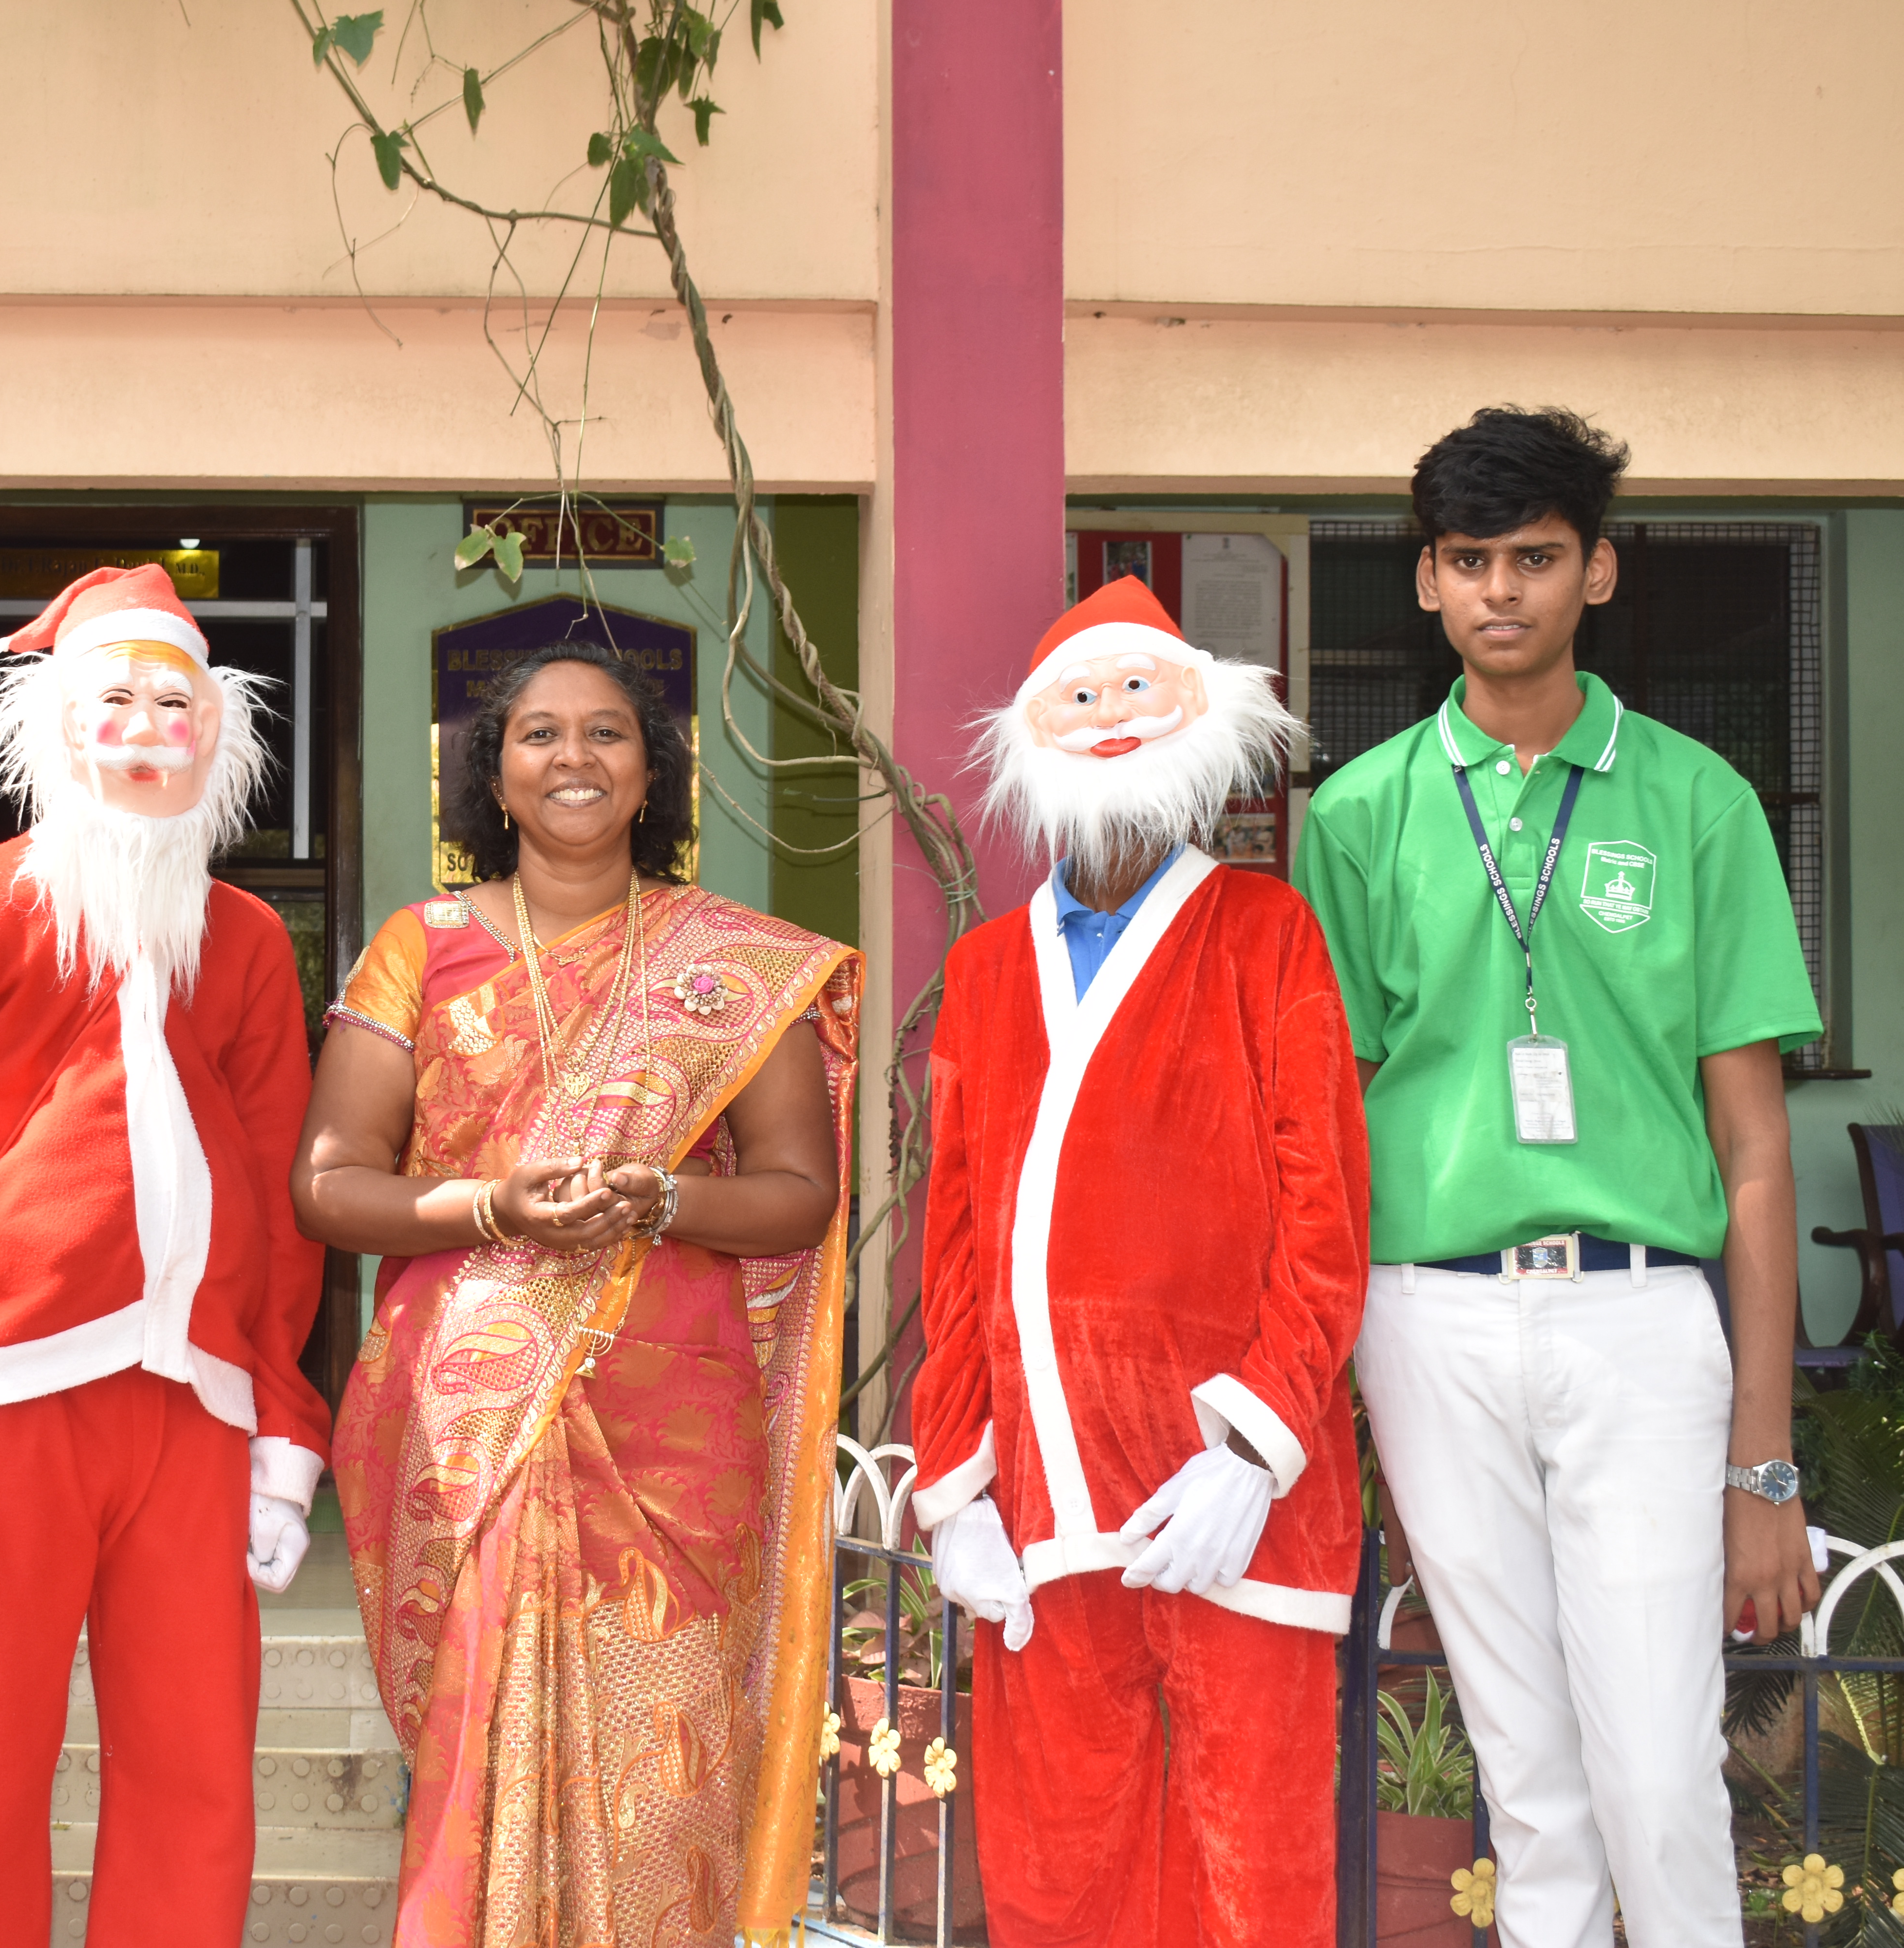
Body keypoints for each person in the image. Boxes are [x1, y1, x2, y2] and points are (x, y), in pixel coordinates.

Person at [1290, 407, 1821, 1948]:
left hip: (1640, 1315)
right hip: (1426, 1317)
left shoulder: (1699, 802)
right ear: (1427, 583)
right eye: (1469, 561)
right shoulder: (1361, 813)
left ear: (1597, 572)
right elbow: (1333, 1121)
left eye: (1534, 557)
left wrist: (1766, 1464)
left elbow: (1756, 1149)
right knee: (1529, 1784)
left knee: (1657, 1772)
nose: (1500, 589)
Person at [297, 641, 859, 1948]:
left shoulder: (733, 967)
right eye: (539, 733)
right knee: (476, 1755)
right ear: (492, 775)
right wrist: (495, 1206)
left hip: (675, 1421)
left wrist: (664, 1201)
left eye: (607, 732)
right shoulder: (420, 948)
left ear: (654, 773)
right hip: (472, 1417)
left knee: (668, 1762)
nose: (574, 758)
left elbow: (798, 1192)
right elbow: (328, 1184)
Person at [0, 563, 330, 1945]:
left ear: (219, 735)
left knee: (196, 1772)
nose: (150, 731)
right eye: (117, 701)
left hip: (198, 1410)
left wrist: (285, 1427)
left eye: (177, 705)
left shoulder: (247, 941)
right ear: (56, 725)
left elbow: (280, 1212)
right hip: (3, 1401)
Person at [905, 573, 1367, 1946]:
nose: (1111, 720)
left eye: (1134, 693)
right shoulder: (989, 969)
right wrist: (954, 1481)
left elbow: (1328, 1217)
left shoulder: (1267, 933)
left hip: (1229, 1487)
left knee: (1254, 1872)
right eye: (1084, 697)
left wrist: (1260, 1446)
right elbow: (956, 1244)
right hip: (1040, 1494)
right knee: (1057, 1874)